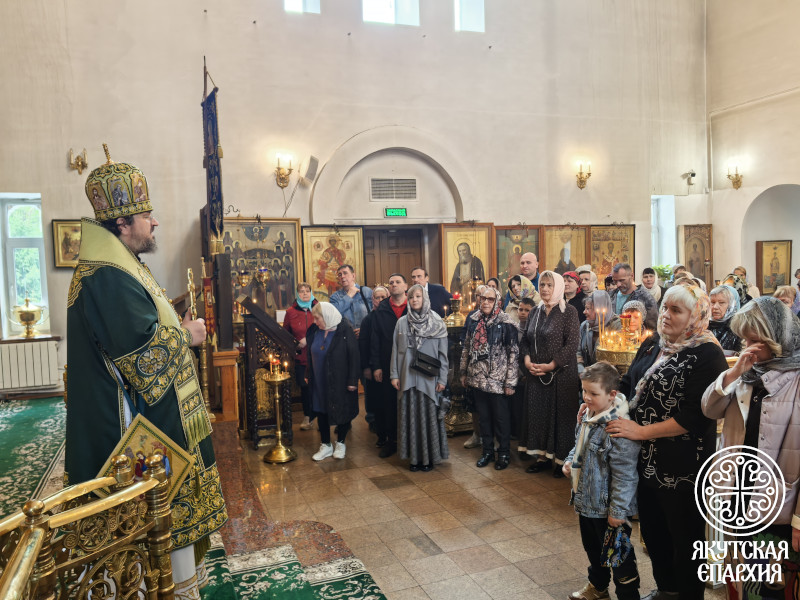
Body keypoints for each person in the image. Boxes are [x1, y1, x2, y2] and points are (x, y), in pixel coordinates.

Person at [66, 149, 226, 599]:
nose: (154, 222)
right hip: (134, 433)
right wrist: (188, 335)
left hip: (150, 424)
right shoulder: (107, 276)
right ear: (122, 223)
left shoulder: (121, 266)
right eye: (146, 215)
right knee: (147, 533)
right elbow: (143, 362)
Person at [606, 284, 727, 600]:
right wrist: (602, 404)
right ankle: (667, 590)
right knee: (654, 533)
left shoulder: (707, 354)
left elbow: (695, 417)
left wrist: (640, 431)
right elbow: (628, 383)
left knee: (685, 540)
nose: (666, 315)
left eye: (676, 310)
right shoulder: (652, 344)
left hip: (683, 466)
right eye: (664, 308)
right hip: (645, 460)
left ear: (695, 316)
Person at [701, 297, 800, 600]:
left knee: (773, 588)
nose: (747, 346)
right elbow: (709, 409)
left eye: (754, 340)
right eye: (744, 339)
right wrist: (732, 374)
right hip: (739, 495)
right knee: (741, 580)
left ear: (777, 340)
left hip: (779, 507)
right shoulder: (748, 374)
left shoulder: (796, 379)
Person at [565, 362, 641, 600]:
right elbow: (578, 445)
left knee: (619, 558)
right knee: (594, 550)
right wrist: (569, 461)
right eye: (584, 391)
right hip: (586, 501)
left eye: (593, 393)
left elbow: (625, 474)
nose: (586, 397)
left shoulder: (617, 428)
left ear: (612, 394)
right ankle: (598, 587)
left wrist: (617, 511)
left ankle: (629, 596)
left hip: (609, 509)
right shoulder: (588, 414)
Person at [520, 271, 581, 477]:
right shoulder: (535, 312)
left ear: (558, 287)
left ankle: (561, 460)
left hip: (561, 376)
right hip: (536, 375)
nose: (545, 289)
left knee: (560, 418)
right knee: (539, 416)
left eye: (549, 285)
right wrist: (527, 361)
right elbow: (525, 339)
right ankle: (542, 458)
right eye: (542, 285)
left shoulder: (569, 312)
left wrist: (551, 365)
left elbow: (572, 344)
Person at [391, 285, 449, 471]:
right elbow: (395, 351)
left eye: (418, 296)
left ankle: (429, 458)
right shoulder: (401, 323)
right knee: (410, 418)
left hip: (429, 380)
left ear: (425, 299)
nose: (414, 300)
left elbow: (443, 355)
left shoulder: (437, 322)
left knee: (428, 419)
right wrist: (394, 375)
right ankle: (414, 459)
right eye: (411, 297)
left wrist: (442, 379)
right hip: (407, 378)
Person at [460, 285, 519, 470]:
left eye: (490, 299)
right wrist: (463, 372)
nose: (486, 302)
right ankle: (487, 452)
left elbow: (513, 354)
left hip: (498, 380)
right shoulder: (474, 320)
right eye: (483, 298)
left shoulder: (506, 323)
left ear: (497, 302)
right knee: (483, 418)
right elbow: (466, 348)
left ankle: (503, 453)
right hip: (477, 377)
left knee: (501, 419)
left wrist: (510, 382)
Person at [306, 302, 360, 461]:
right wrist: (308, 373)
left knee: (343, 409)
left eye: (318, 318)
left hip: (340, 380)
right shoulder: (314, 330)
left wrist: (352, 380)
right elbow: (309, 353)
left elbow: (354, 356)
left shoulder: (344, 330)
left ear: (327, 316)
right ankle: (326, 445)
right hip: (319, 379)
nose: (315, 322)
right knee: (320, 408)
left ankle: (341, 443)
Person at [369, 273, 409, 457]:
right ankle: (391, 441)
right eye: (391, 282)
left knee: (409, 402)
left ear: (405, 286)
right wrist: (376, 366)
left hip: (410, 363)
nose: (394, 285)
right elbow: (375, 339)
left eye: (397, 282)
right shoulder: (382, 309)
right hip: (387, 362)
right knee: (389, 403)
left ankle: (409, 441)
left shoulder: (413, 305)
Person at [282, 282, 319, 430]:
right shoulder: (290, 312)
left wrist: (307, 340)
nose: (305, 293)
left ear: (311, 293)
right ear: (297, 294)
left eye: (307, 291)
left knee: (318, 386)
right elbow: (285, 334)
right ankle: (308, 416)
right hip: (301, 357)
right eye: (302, 291)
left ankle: (321, 416)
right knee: (304, 386)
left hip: (318, 355)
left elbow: (325, 328)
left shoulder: (318, 308)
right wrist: (295, 344)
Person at [360, 285, 389, 437]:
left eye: (383, 297)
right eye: (377, 297)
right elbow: (364, 345)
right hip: (372, 365)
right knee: (374, 397)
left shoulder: (392, 316)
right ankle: (375, 422)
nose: (380, 300)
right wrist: (366, 367)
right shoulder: (367, 320)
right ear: (373, 300)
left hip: (388, 364)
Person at [512, 297, 536, 443]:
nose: (523, 313)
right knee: (516, 407)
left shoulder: (534, 331)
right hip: (515, 374)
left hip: (529, 374)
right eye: (520, 309)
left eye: (527, 310)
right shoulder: (513, 329)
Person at [578, 291, 621, 372]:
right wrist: (581, 370)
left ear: (600, 309)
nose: (584, 312)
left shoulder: (617, 326)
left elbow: (618, 357)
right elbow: (578, 352)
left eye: (588, 309)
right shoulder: (584, 326)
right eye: (585, 308)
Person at [608, 263, 659, 331]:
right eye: (615, 281)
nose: (618, 284)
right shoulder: (610, 296)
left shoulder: (646, 298)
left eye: (622, 280)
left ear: (632, 276)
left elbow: (653, 328)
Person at [329, 264, 372, 336]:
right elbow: (334, 315)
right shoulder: (334, 297)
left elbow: (374, 314)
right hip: (346, 337)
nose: (342, 276)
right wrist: (349, 296)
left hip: (367, 335)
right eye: (340, 275)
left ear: (353, 276)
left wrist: (365, 329)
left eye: (345, 273)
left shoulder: (366, 291)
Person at [708, 284, 741, 351]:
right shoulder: (703, 325)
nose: (715, 307)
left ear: (732, 305)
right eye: (712, 302)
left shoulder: (739, 328)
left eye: (721, 303)